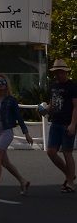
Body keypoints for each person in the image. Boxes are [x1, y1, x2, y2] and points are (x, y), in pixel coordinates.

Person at [0, 73, 32, 198]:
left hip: (6, 132)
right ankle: (23, 181)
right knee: (5, 163)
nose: (0, 85)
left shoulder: (11, 100)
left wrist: (26, 133)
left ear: (7, 84)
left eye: (3, 82)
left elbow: (19, 117)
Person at [43, 58, 77, 193]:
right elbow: (52, 104)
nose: (59, 75)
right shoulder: (54, 87)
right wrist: (46, 110)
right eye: (57, 73)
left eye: (61, 72)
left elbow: (76, 106)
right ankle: (69, 175)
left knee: (67, 152)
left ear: (66, 72)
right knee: (51, 151)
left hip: (67, 123)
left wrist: (73, 124)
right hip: (56, 122)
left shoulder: (72, 86)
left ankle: (70, 183)